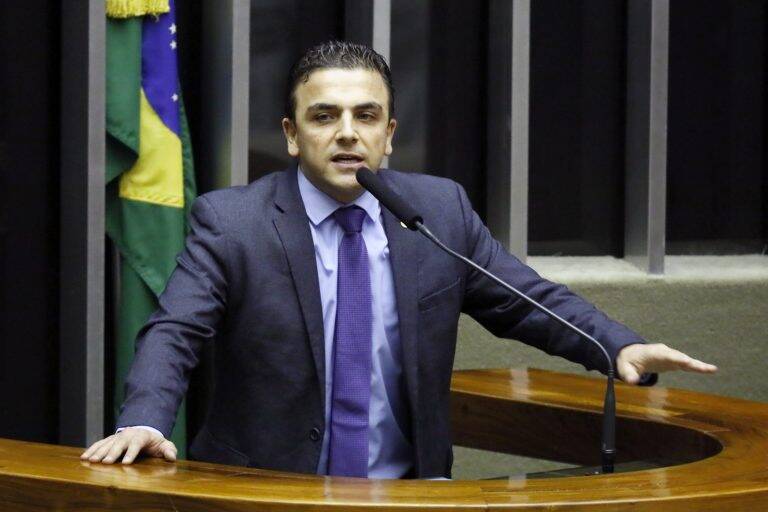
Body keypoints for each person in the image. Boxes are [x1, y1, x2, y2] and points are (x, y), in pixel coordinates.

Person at [82, 41, 716, 478]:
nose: (347, 133)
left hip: (409, 489)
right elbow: (175, 330)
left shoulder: (438, 212)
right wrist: (143, 419)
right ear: (291, 134)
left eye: (366, 116)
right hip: (267, 492)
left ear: (389, 133)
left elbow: (527, 300)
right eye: (324, 116)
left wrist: (617, 347)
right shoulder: (234, 222)